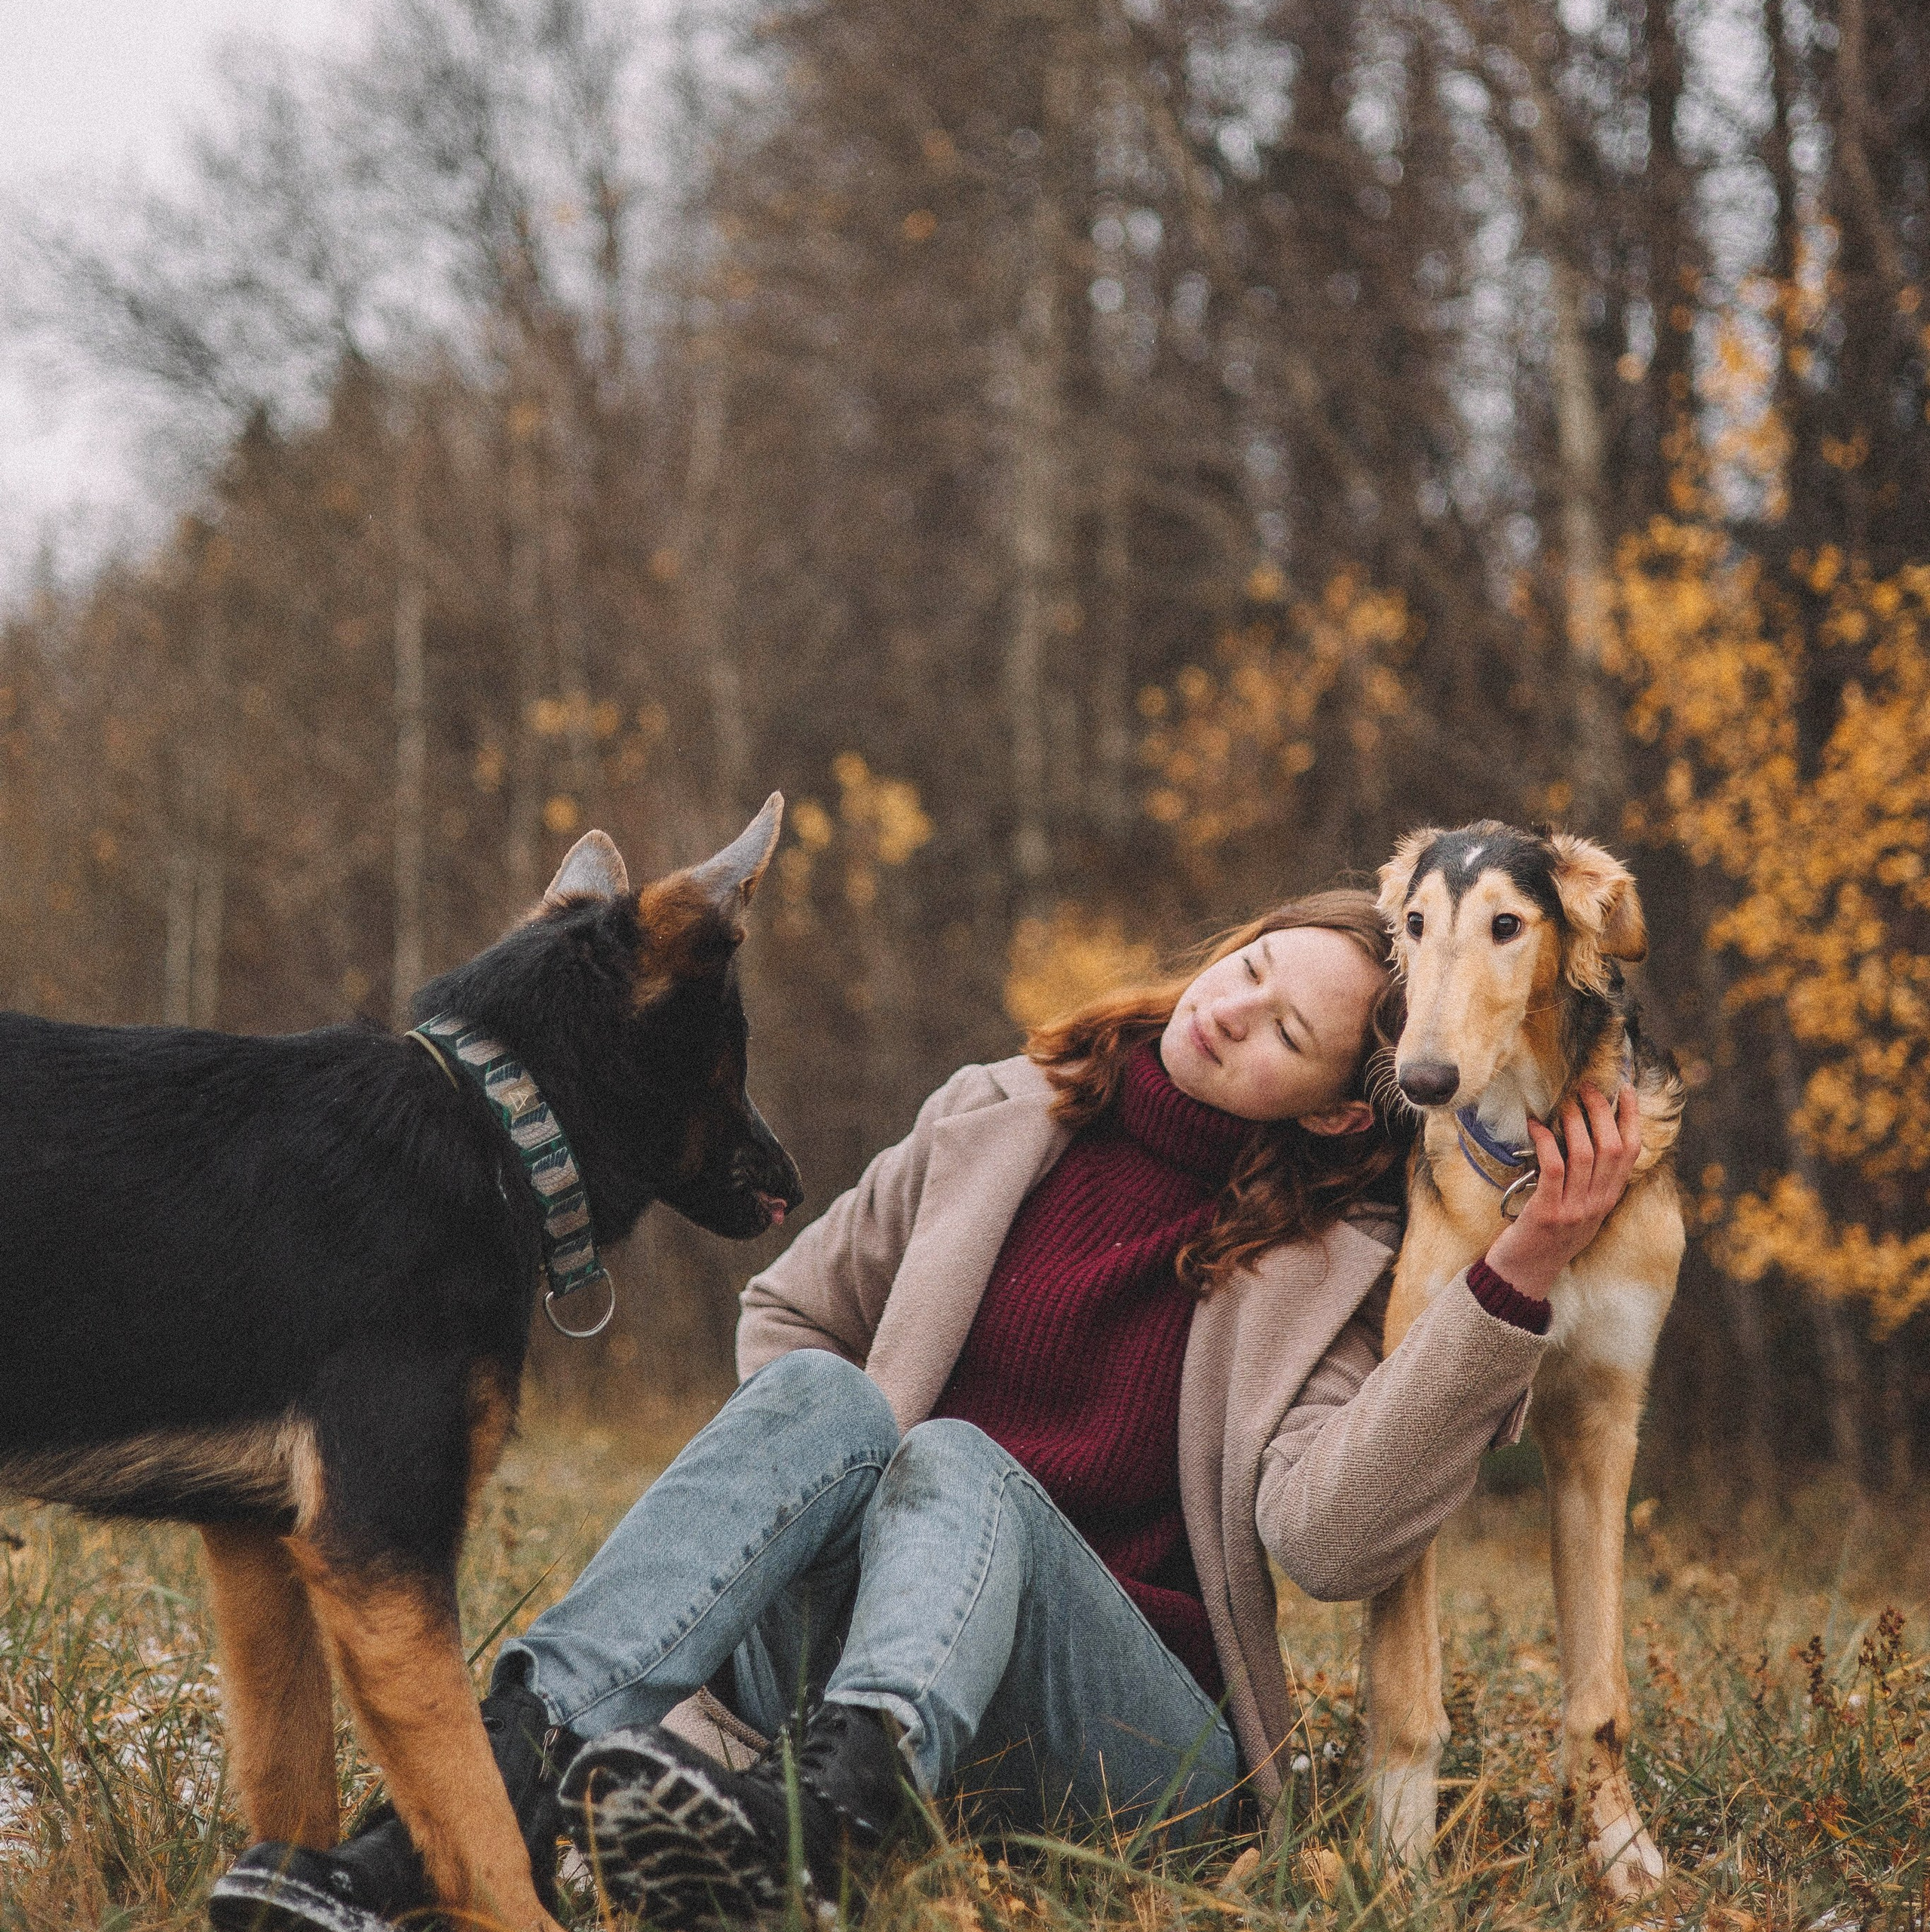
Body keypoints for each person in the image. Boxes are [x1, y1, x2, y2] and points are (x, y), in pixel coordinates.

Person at [229, 888, 1641, 1932]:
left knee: (954, 1458)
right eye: (1250, 966)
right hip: (857, 1651)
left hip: (1126, 1730)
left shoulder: (1331, 1263)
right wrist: (839, 1498)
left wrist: (1509, 1280)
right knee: (836, 1400)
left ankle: (835, 1815)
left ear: (1338, 1110)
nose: (1230, 1008)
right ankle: (468, 1805)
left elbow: (1330, 1544)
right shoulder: (997, 1111)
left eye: (1288, 1031)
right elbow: (784, 1315)